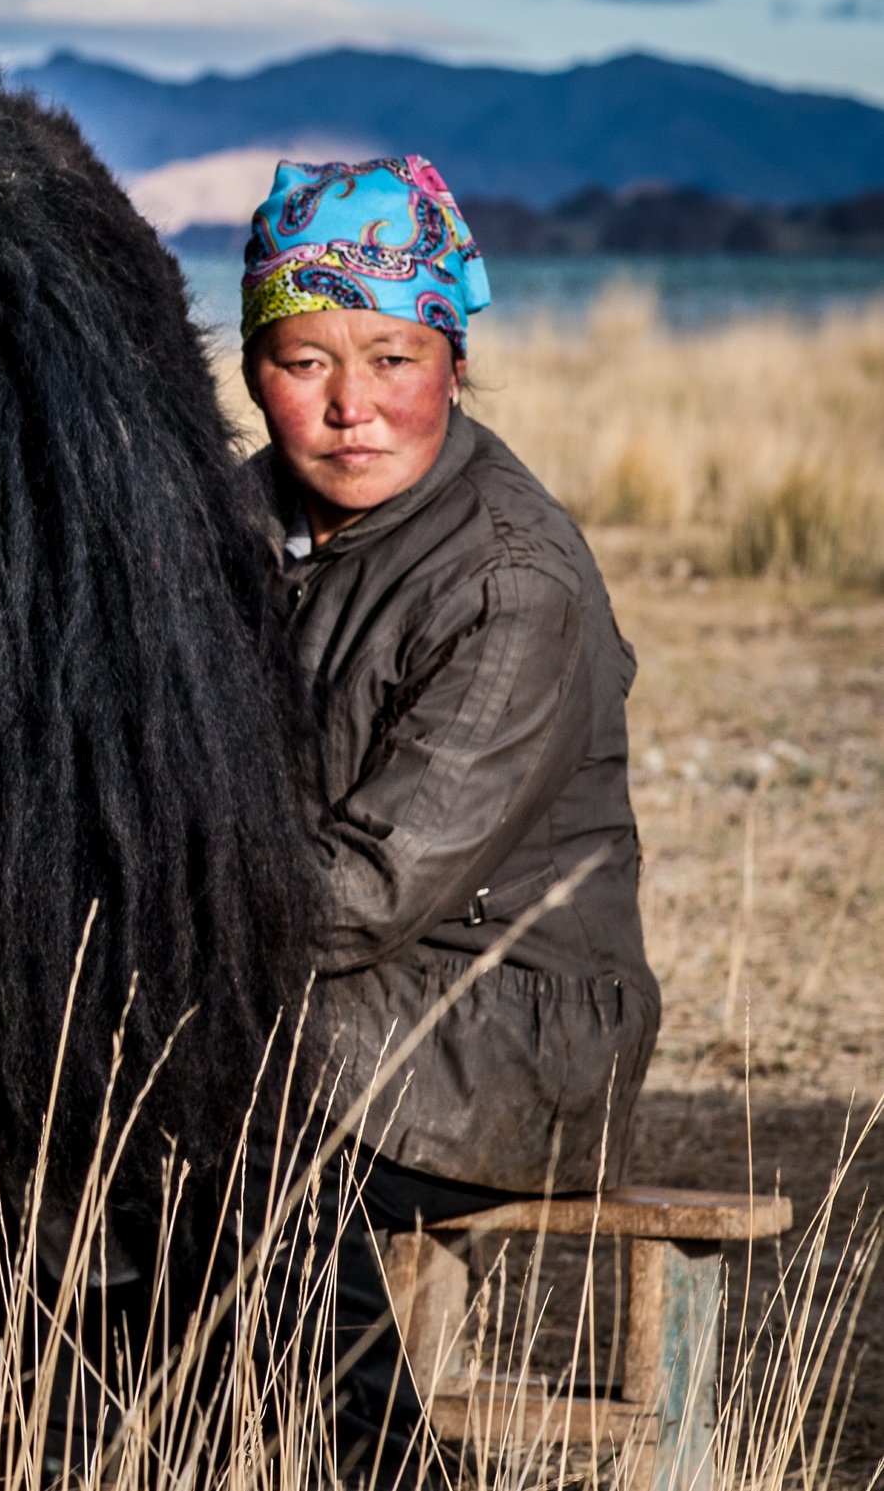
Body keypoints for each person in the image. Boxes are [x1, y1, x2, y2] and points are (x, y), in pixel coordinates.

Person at [237, 157, 661, 1478]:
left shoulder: (508, 579)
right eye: (305, 360)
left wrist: (137, 905)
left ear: (455, 361)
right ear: (255, 367)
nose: (351, 405)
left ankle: (389, 1467)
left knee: (218, 1132)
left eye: (392, 354)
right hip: (300, 997)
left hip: (505, 1026)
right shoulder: (226, 526)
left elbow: (367, 887)